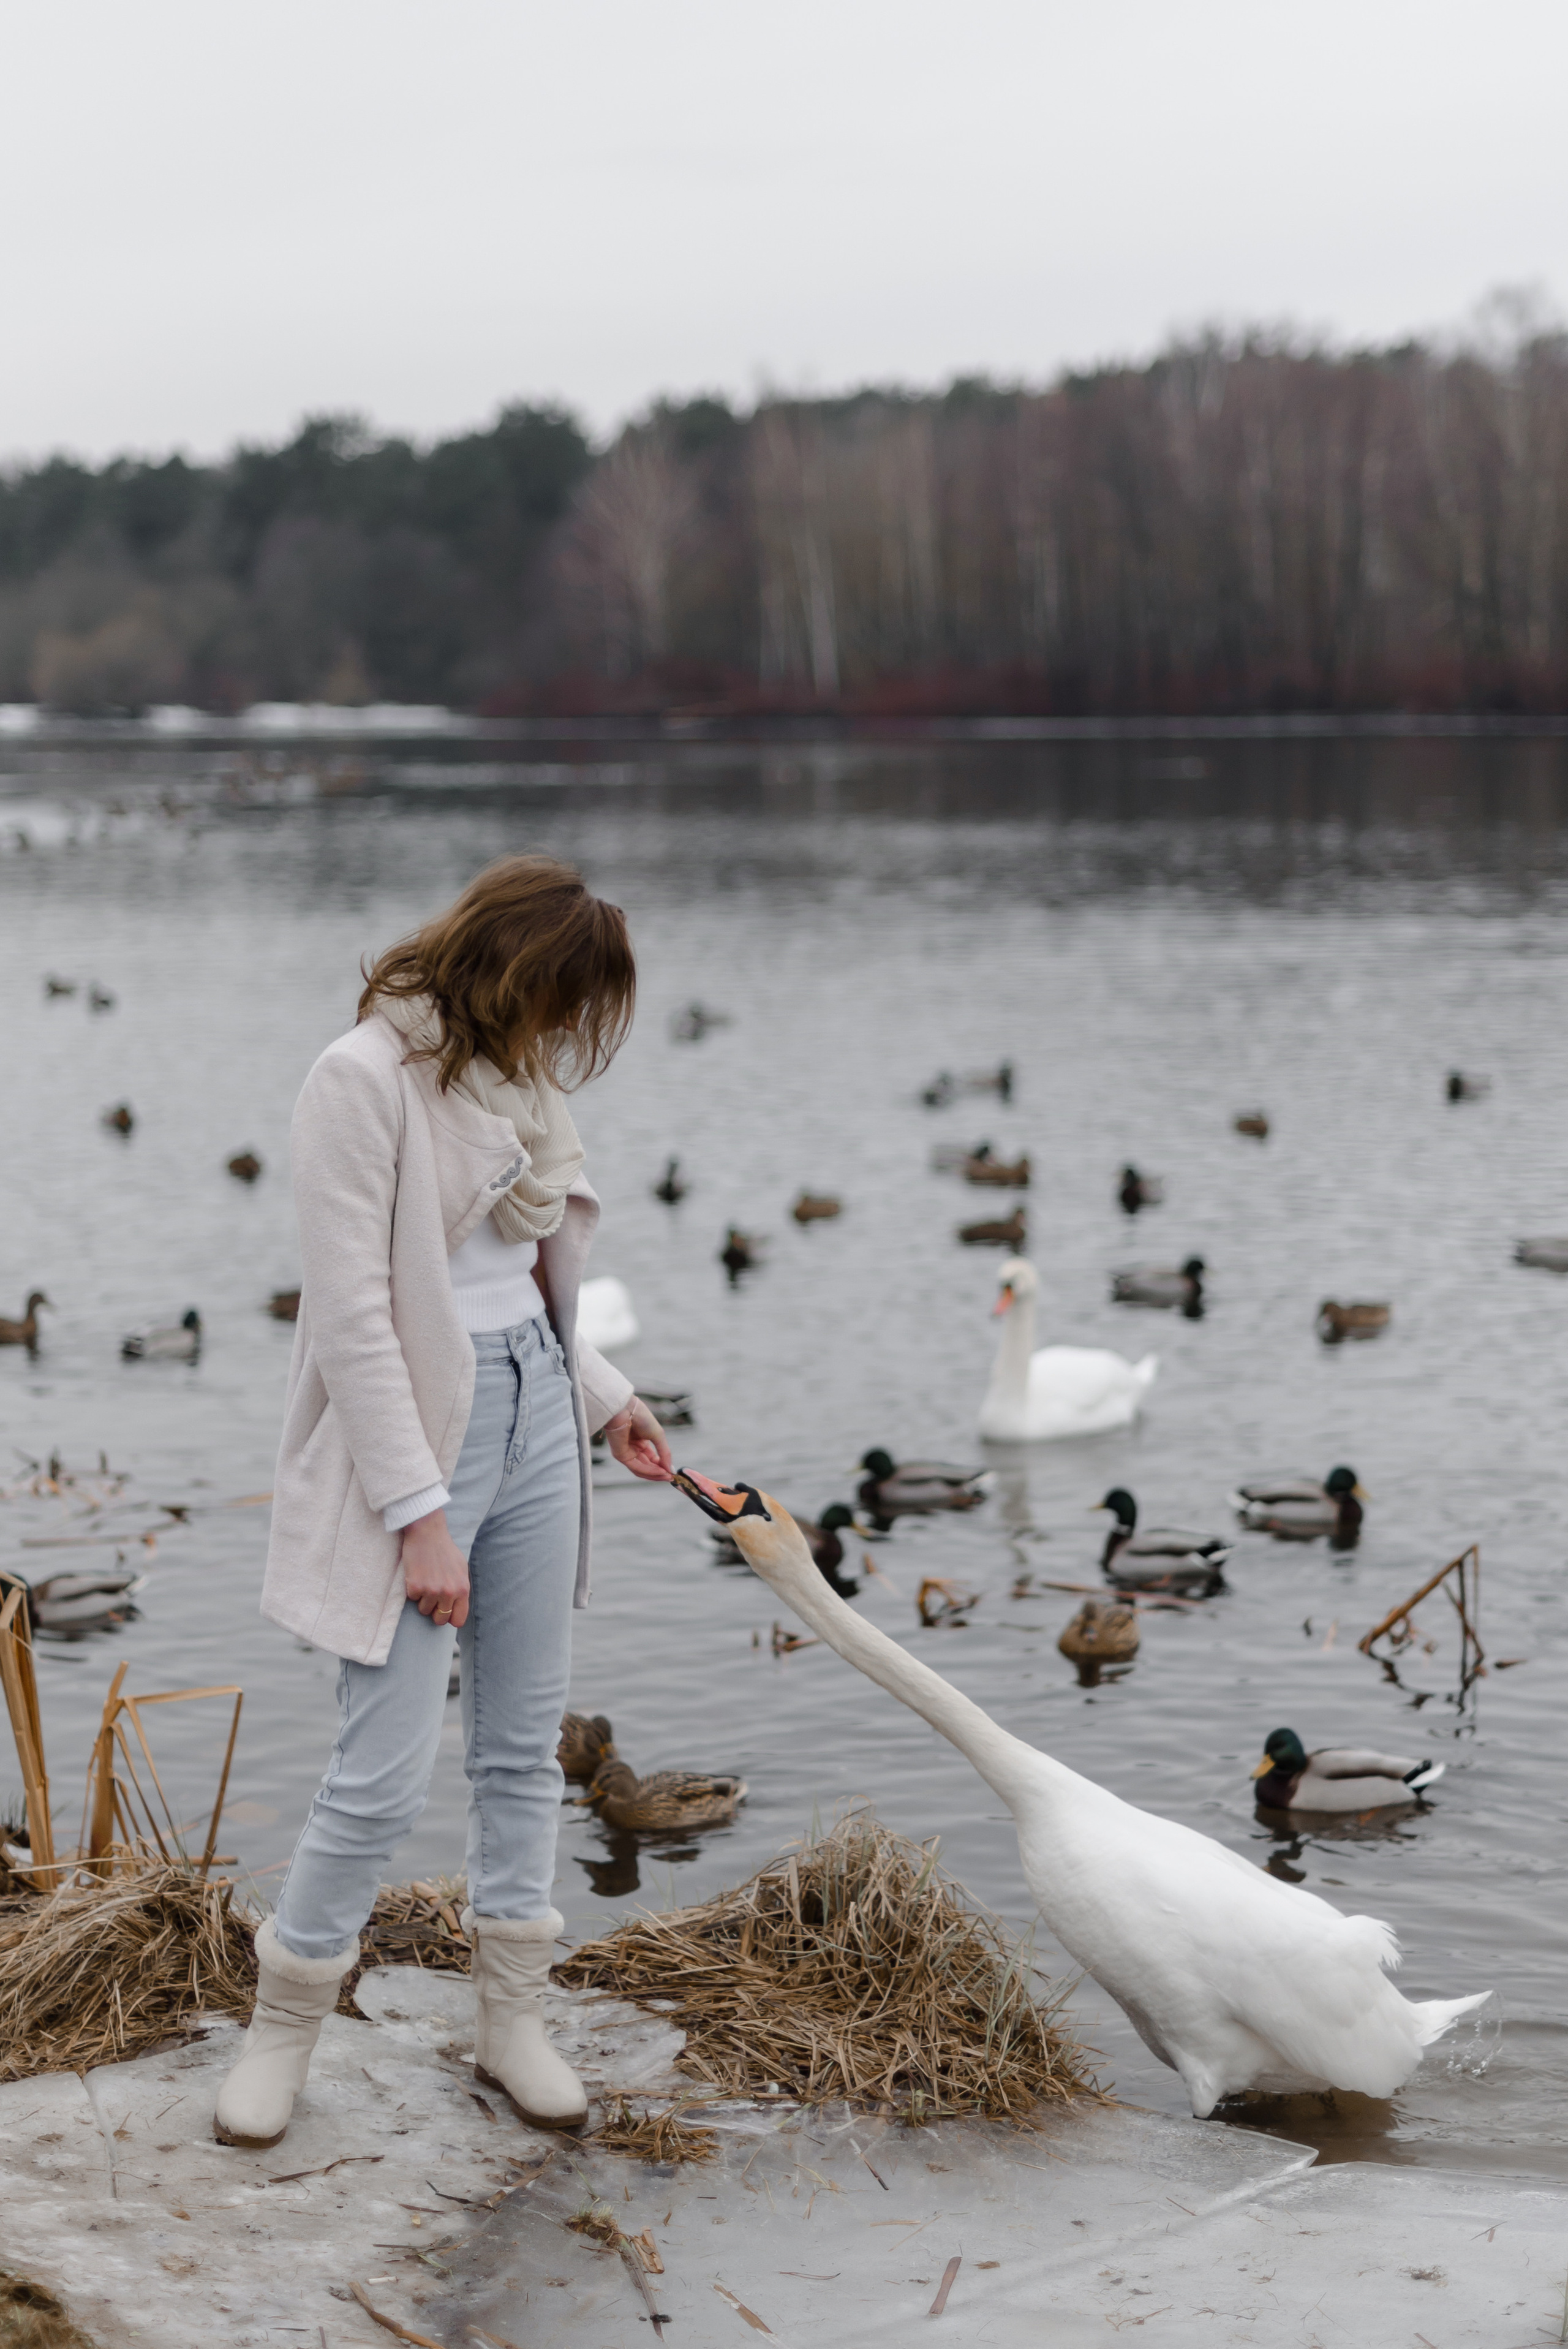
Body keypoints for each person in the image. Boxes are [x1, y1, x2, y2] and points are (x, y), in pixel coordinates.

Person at [214, 854, 671, 2150]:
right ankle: (283, 2034)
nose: (567, 1039)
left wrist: (604, 1397)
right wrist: (419, 1512)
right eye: (560, 1004)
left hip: (531, 1411)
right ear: (508, 972)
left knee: (522, 1749)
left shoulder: (512, 1085)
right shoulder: (358, 1082)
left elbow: (513, 1294)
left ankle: (509, 2023)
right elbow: (359, 1318)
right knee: (379, 1770)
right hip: (411, 1441)